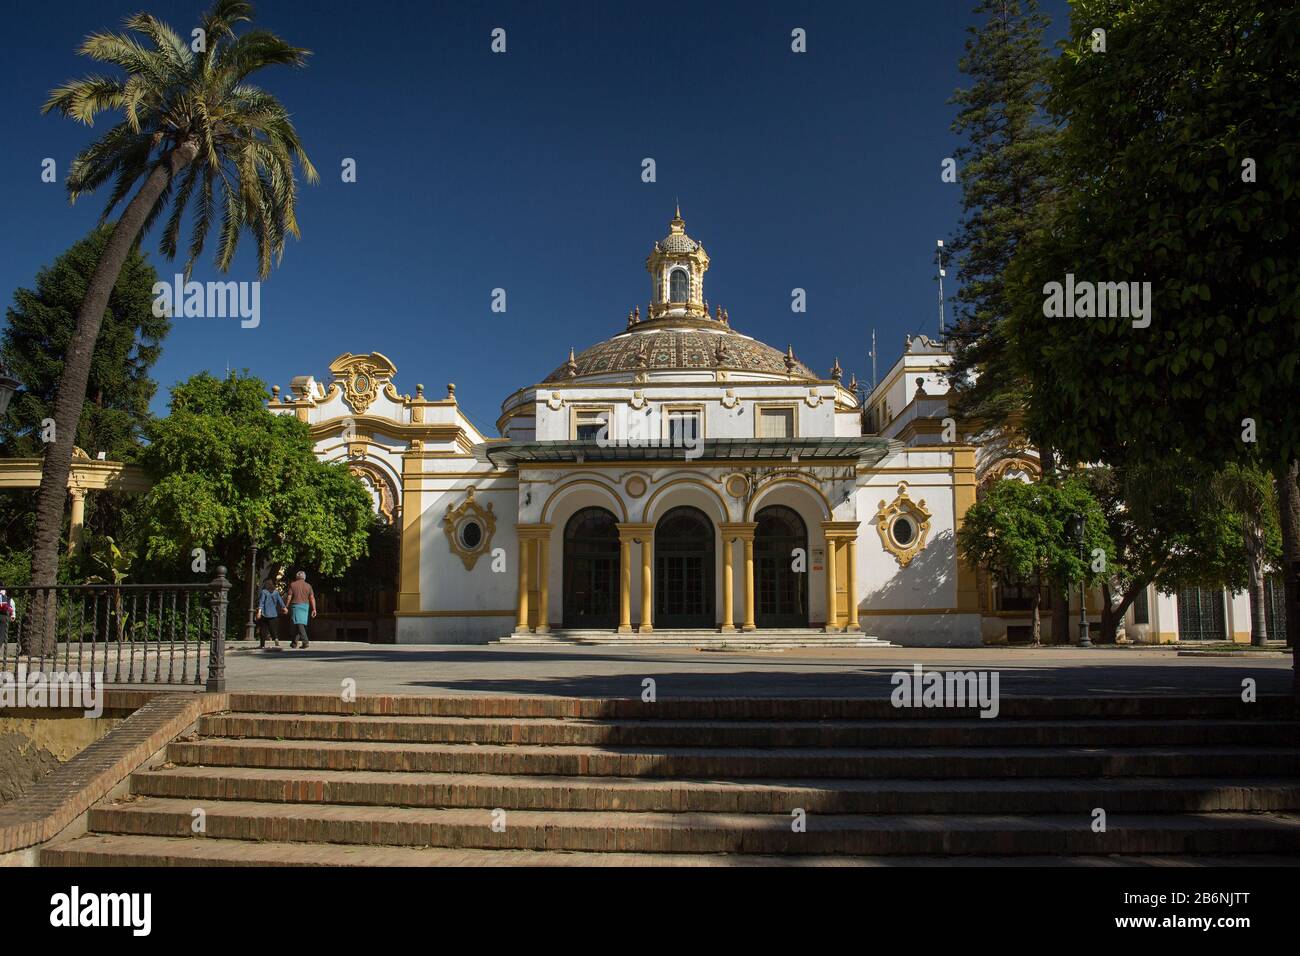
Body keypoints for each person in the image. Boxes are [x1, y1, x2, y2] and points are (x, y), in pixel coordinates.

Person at [286, 570, 316, 649]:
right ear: (304, 577)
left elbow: (289, 596)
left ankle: (305, 641)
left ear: (297, 577)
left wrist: (286, 606)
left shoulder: (293, 585)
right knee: (300, 624)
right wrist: (314, 609)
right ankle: (294, 643)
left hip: (296, 605)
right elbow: (312, 598)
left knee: (299, 624)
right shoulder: (308, 586)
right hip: (305, 606)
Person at [256, 578, 286, 649]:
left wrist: (259, 612)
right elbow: (280, 601)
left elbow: (261, 602)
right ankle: (276, 639)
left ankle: (262, 645)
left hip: (265, 614)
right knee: (273, 629)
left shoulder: (264, 592)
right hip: (273, 614)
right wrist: (284, 608)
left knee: (263, 629)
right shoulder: (276, 592)